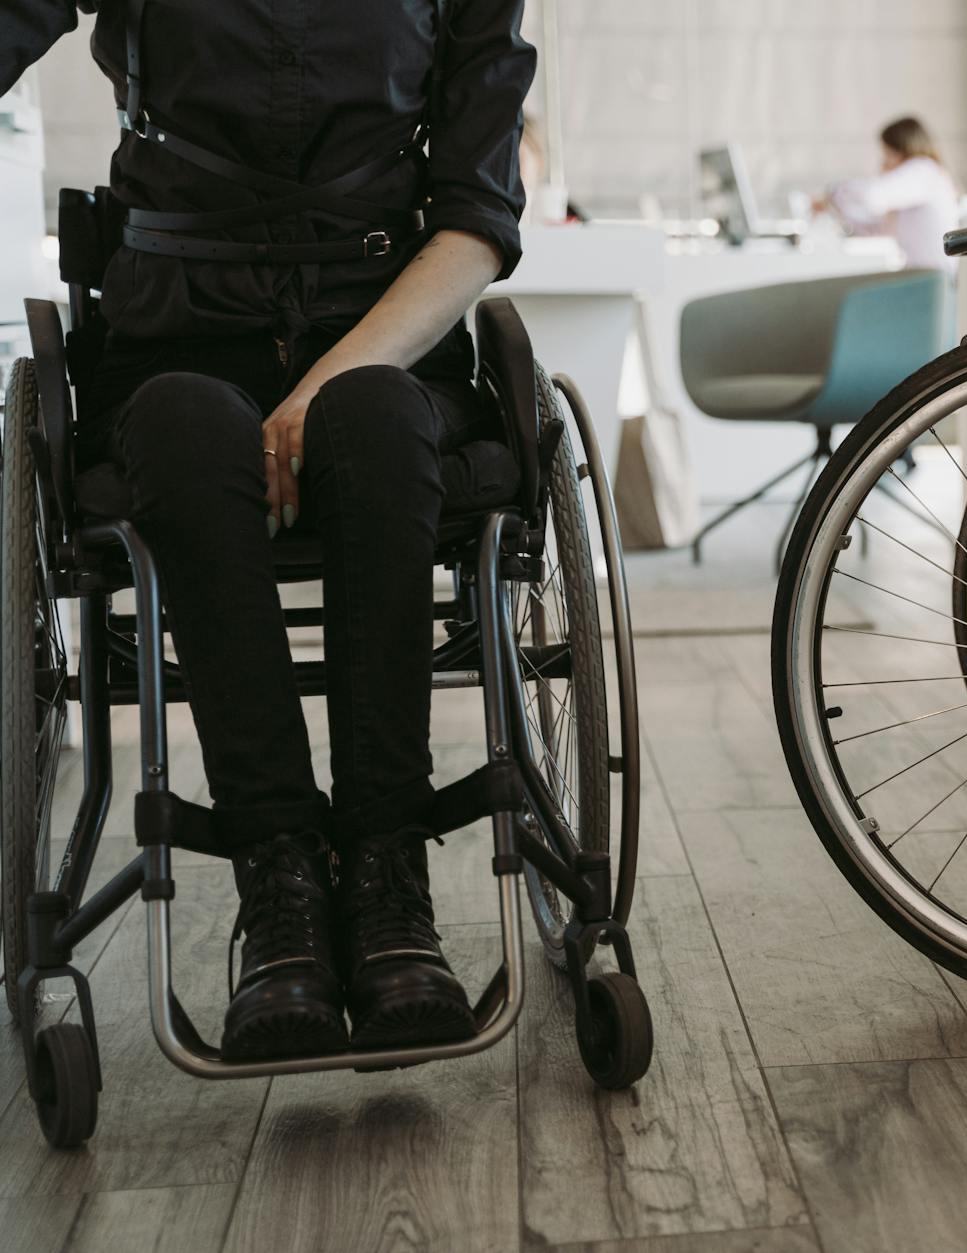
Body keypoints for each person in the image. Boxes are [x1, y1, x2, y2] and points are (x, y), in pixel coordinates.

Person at [1, 0, 535, 1057]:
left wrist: (323, 384)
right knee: (185, 425)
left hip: (382, 335)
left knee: (375, 418)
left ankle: (388, 872)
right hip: (174, 331)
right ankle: (277, 874)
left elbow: (478, 219)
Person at [821, 115, 960, 270]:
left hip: (931, 276)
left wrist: (833, 192)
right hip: (923, 274)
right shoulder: (922, 181)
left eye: (887, 153)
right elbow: (876, 229)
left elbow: (872, 196)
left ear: (901, 151)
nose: (883, 162)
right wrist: (835, 207)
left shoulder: (923, 170)